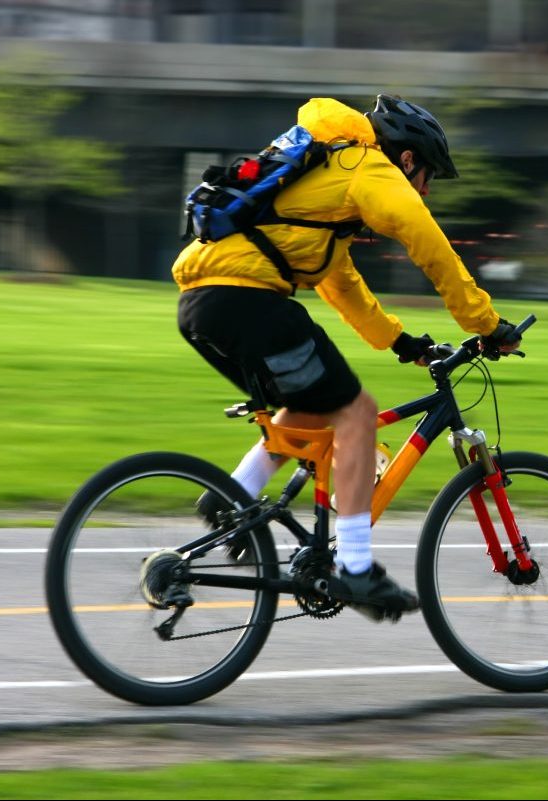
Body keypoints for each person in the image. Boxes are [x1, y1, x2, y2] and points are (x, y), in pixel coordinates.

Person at [172, 94, 520, 620]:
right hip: (246, 297)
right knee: (356, 412)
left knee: (311, 406)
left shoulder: (330, 172)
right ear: (407, 159)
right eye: (427, 177)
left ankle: (231, 499)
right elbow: (429, 243)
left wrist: (400, 342)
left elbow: (340, 283)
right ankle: (355, 569)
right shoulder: (368, 166)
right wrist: (487, 324)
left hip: (205, 303)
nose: (425, 191)